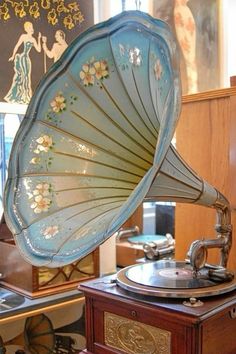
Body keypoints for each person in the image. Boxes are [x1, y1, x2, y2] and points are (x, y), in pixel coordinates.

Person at [4, 21, 41, 104]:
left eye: (32, 27)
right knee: (22, 76)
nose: (32, 29)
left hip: (27, 59)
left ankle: (26, 96)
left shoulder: (33, 39)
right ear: (27, 29)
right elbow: (17, 45)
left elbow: (39, 50)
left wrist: (39, 39)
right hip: (22, 58)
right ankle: (19, 95)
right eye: (30, 28)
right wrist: (13, 56)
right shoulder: (23, 36)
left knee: (27, 77)